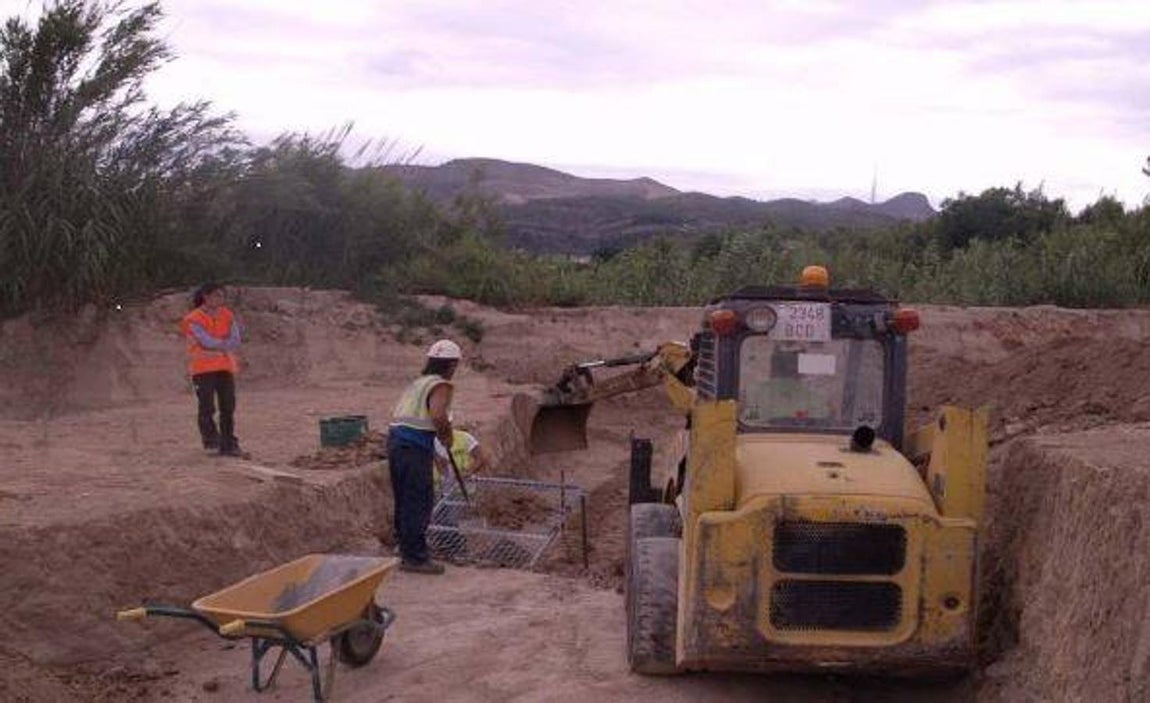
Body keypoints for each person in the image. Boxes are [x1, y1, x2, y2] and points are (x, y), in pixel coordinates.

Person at [387, 339, 462, 575]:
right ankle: (415, 557)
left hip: (397, 443)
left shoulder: (418, 383)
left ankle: (405, 547)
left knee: (404, 498)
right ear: (451, 365)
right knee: (418, 501)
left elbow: (412, 418)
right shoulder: (441, 385)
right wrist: (446, 437)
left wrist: (432, 453)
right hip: (413, 446)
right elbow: (438, 416)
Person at [180, 283, 244, 457]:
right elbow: (204, 342)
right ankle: (211, 442)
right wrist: (223, 344)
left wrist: (219, 345)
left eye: (222, 296)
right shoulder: (193, 319)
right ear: (206, 297)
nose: (220, 300)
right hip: (202, 368)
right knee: (207, 407)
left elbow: (236, 339)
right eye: (217, 295)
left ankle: (228, 443)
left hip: (225, 366)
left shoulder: (227, 315)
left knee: (228, 406)